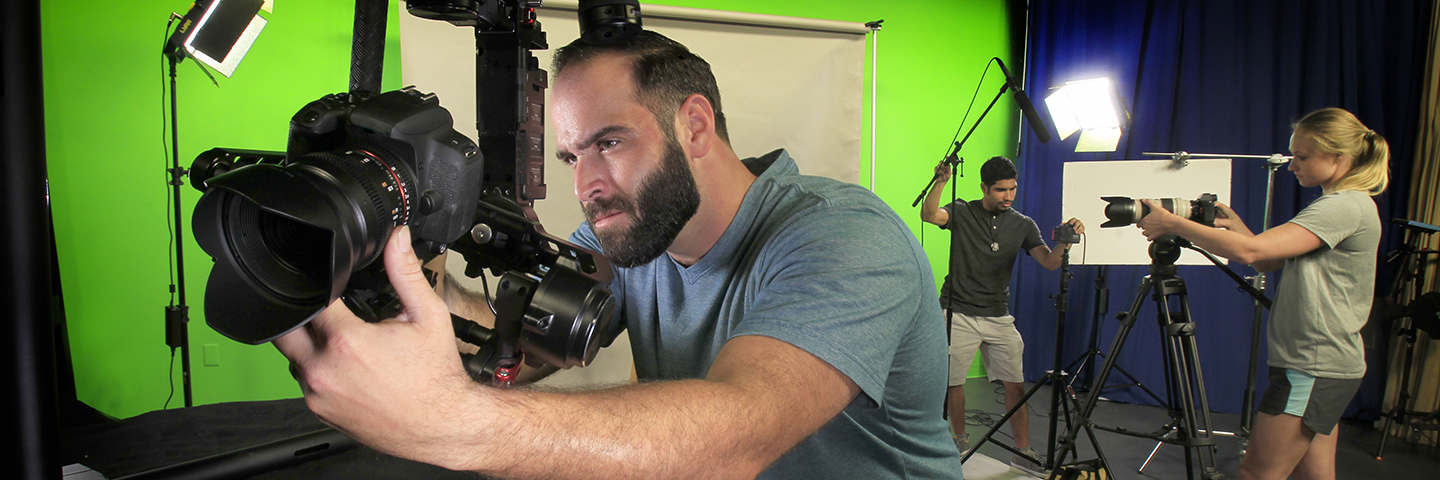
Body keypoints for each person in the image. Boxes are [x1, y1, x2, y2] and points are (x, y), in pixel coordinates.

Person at [275, 30, 964, 479]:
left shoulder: (841, 236)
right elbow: (520, 339)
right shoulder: (633, 233)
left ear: (693, 124)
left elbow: (740, 433)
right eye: (573, 154)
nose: (586, 185)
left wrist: (457, 421)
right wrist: (427, 285)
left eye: (608, 142)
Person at [1135, 108, 1387, 480]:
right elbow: (1269, 260)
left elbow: (1252, 254)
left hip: (1312, 367)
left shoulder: (1342, 207)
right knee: (1313, 473)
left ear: (1338, 157)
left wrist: (1172, 222)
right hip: (1323, 364)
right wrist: (1237, 227)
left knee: (1257, 473)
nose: (1292, 166)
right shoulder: (1346, 205)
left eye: (1301, 157)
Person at [920, 156, 1083, 472]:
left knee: (1015, 384)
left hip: (998, 315)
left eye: (1012, 189)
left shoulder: (1023, 224)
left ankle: (1022, 451)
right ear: (984, 187)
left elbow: (1049, 263)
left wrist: (1065, 243)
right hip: (959, 312)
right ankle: (960, 440)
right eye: (1000, 190)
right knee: (954, 382)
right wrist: (940, 181)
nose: (1008, 196)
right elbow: (929, 215)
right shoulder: (963, 211)